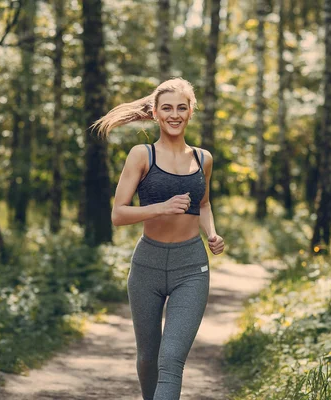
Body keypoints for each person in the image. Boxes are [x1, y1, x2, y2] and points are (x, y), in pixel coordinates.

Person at [91, 77, 225, 400]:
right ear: (155, 113)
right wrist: (160, 208)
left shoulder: (202, 159)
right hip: (147, 267)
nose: (174, 114)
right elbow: (118, 214)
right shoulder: (142, 156)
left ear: (191, 112)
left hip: (191, 267)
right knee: (148, 359)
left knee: (171, 360)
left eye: (182, 107)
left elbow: (203, 204)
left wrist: (212, 233)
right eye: (167, 108)